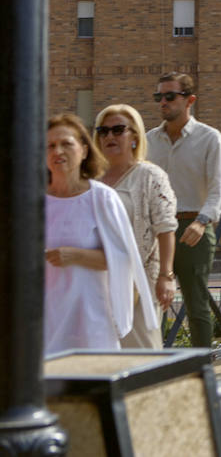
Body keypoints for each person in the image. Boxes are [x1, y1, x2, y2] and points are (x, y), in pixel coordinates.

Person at [45, 114, 156, 355]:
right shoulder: (31, 202)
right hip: (44, 318)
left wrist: (76, 255)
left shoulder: (101, 198)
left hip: (91, 318)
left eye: (66, 144)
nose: (58, 151)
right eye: (50, 146)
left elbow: (123, 259)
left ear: (84, 150)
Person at [144, 72, 221, 350]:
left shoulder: (209, 138)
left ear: (189, 100)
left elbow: (218, 188)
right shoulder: (149, 140)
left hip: (194, 228)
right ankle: (154, 366)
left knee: (196, 304)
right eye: (159, 97)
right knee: (153, 302)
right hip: (155, 232)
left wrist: (202, 222)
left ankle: (203, 367)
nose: (163, 102)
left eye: (170, 96)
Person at [95, 104, 177, 348]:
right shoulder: (88, 178)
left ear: (134, 137)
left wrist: (166, 275)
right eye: (103, 131)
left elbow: (166, 227)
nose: (110, 136)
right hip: (96, 280)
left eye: (118, 130)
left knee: (143, 355)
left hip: (139, 281)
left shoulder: (150, 176)